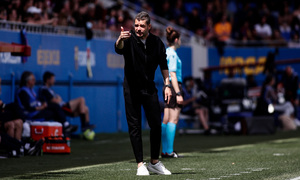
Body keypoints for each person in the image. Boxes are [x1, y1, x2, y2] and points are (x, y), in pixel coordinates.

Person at [115, 11, 172, 176]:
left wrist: (167, 85)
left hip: (149, 89)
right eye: (136, 25)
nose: (138, 28)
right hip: (131, 89)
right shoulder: (127, 39)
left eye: (141, 26)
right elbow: (119, 49)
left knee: (156, 124)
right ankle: (140, 164)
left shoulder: (157, 42)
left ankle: (154, 161)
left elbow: (163, 65)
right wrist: (119, 40)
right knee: (135, 127)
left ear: (149, 27)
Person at [39, 71, 95, 135]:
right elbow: (54, 101)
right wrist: (59, 99)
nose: (54, 81)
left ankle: (86, 127)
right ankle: (84, 126)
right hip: (61, 108)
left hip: (63, 107)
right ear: (48, 80)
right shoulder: (44, 89)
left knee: (86, 109)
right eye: (53, 79)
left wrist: (58, 99)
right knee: (81, 99)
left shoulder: (50, 90)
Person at [161, 26, 183, 158]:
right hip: (174, 86)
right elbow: (173, 74)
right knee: (173, 120)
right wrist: (178, 93)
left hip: (166, 85)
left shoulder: (167, 52)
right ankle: (169, 151)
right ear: (176, 40)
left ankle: (165, 150)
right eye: (180, 39)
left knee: (166, 120)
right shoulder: (173, 54)